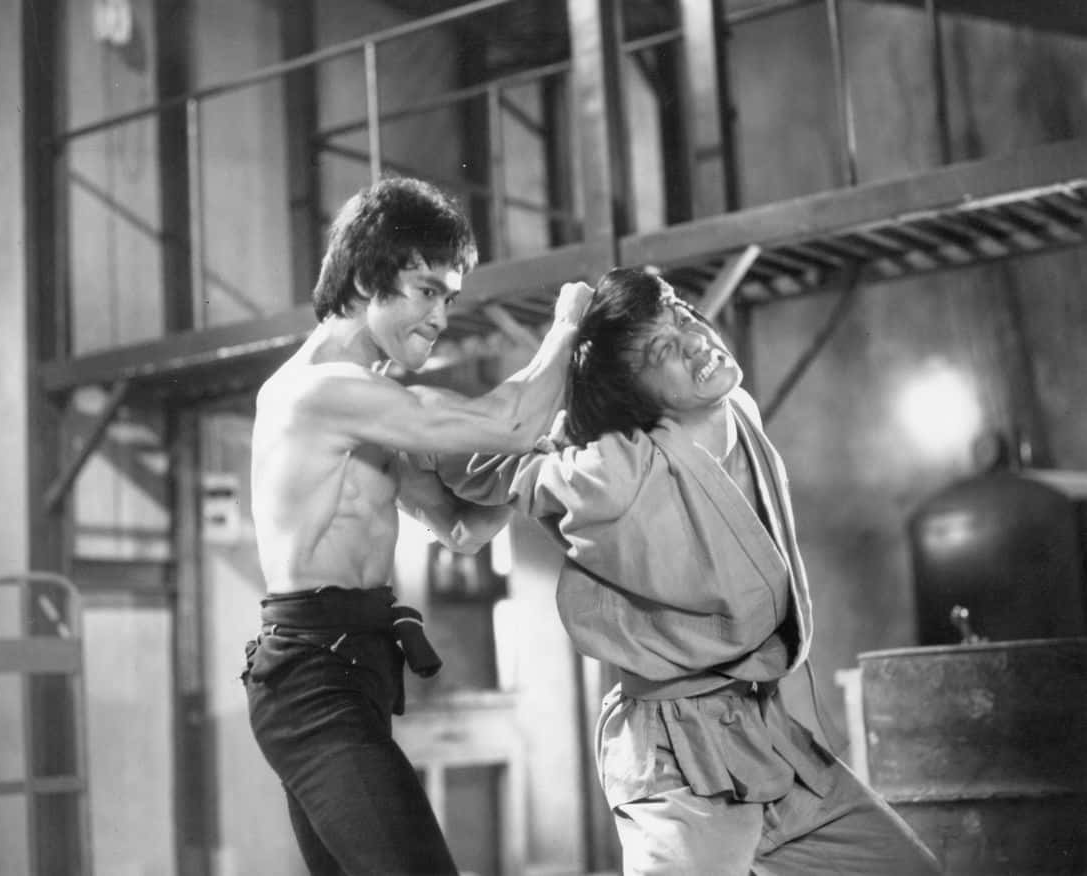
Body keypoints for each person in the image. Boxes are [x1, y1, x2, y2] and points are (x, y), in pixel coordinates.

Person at [438, 267, 941, 875]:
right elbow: (471, 458)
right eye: (662, 351)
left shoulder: (738, 408)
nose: (695, 341)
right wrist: (566, 334)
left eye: (679, 314)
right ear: (636, 396)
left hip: (766, 739)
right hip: (672, 754)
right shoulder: (612, 472)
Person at [243, 176, 591, 876]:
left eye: (449, 298)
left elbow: (461, 530)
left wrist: (532, 468)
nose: (439, 318)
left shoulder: (369, 406)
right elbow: (508, 420)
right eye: (427, 290)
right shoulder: (319, 392)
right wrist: (568, 324)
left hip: (349, 672)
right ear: (367, 280)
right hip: (314, 680)